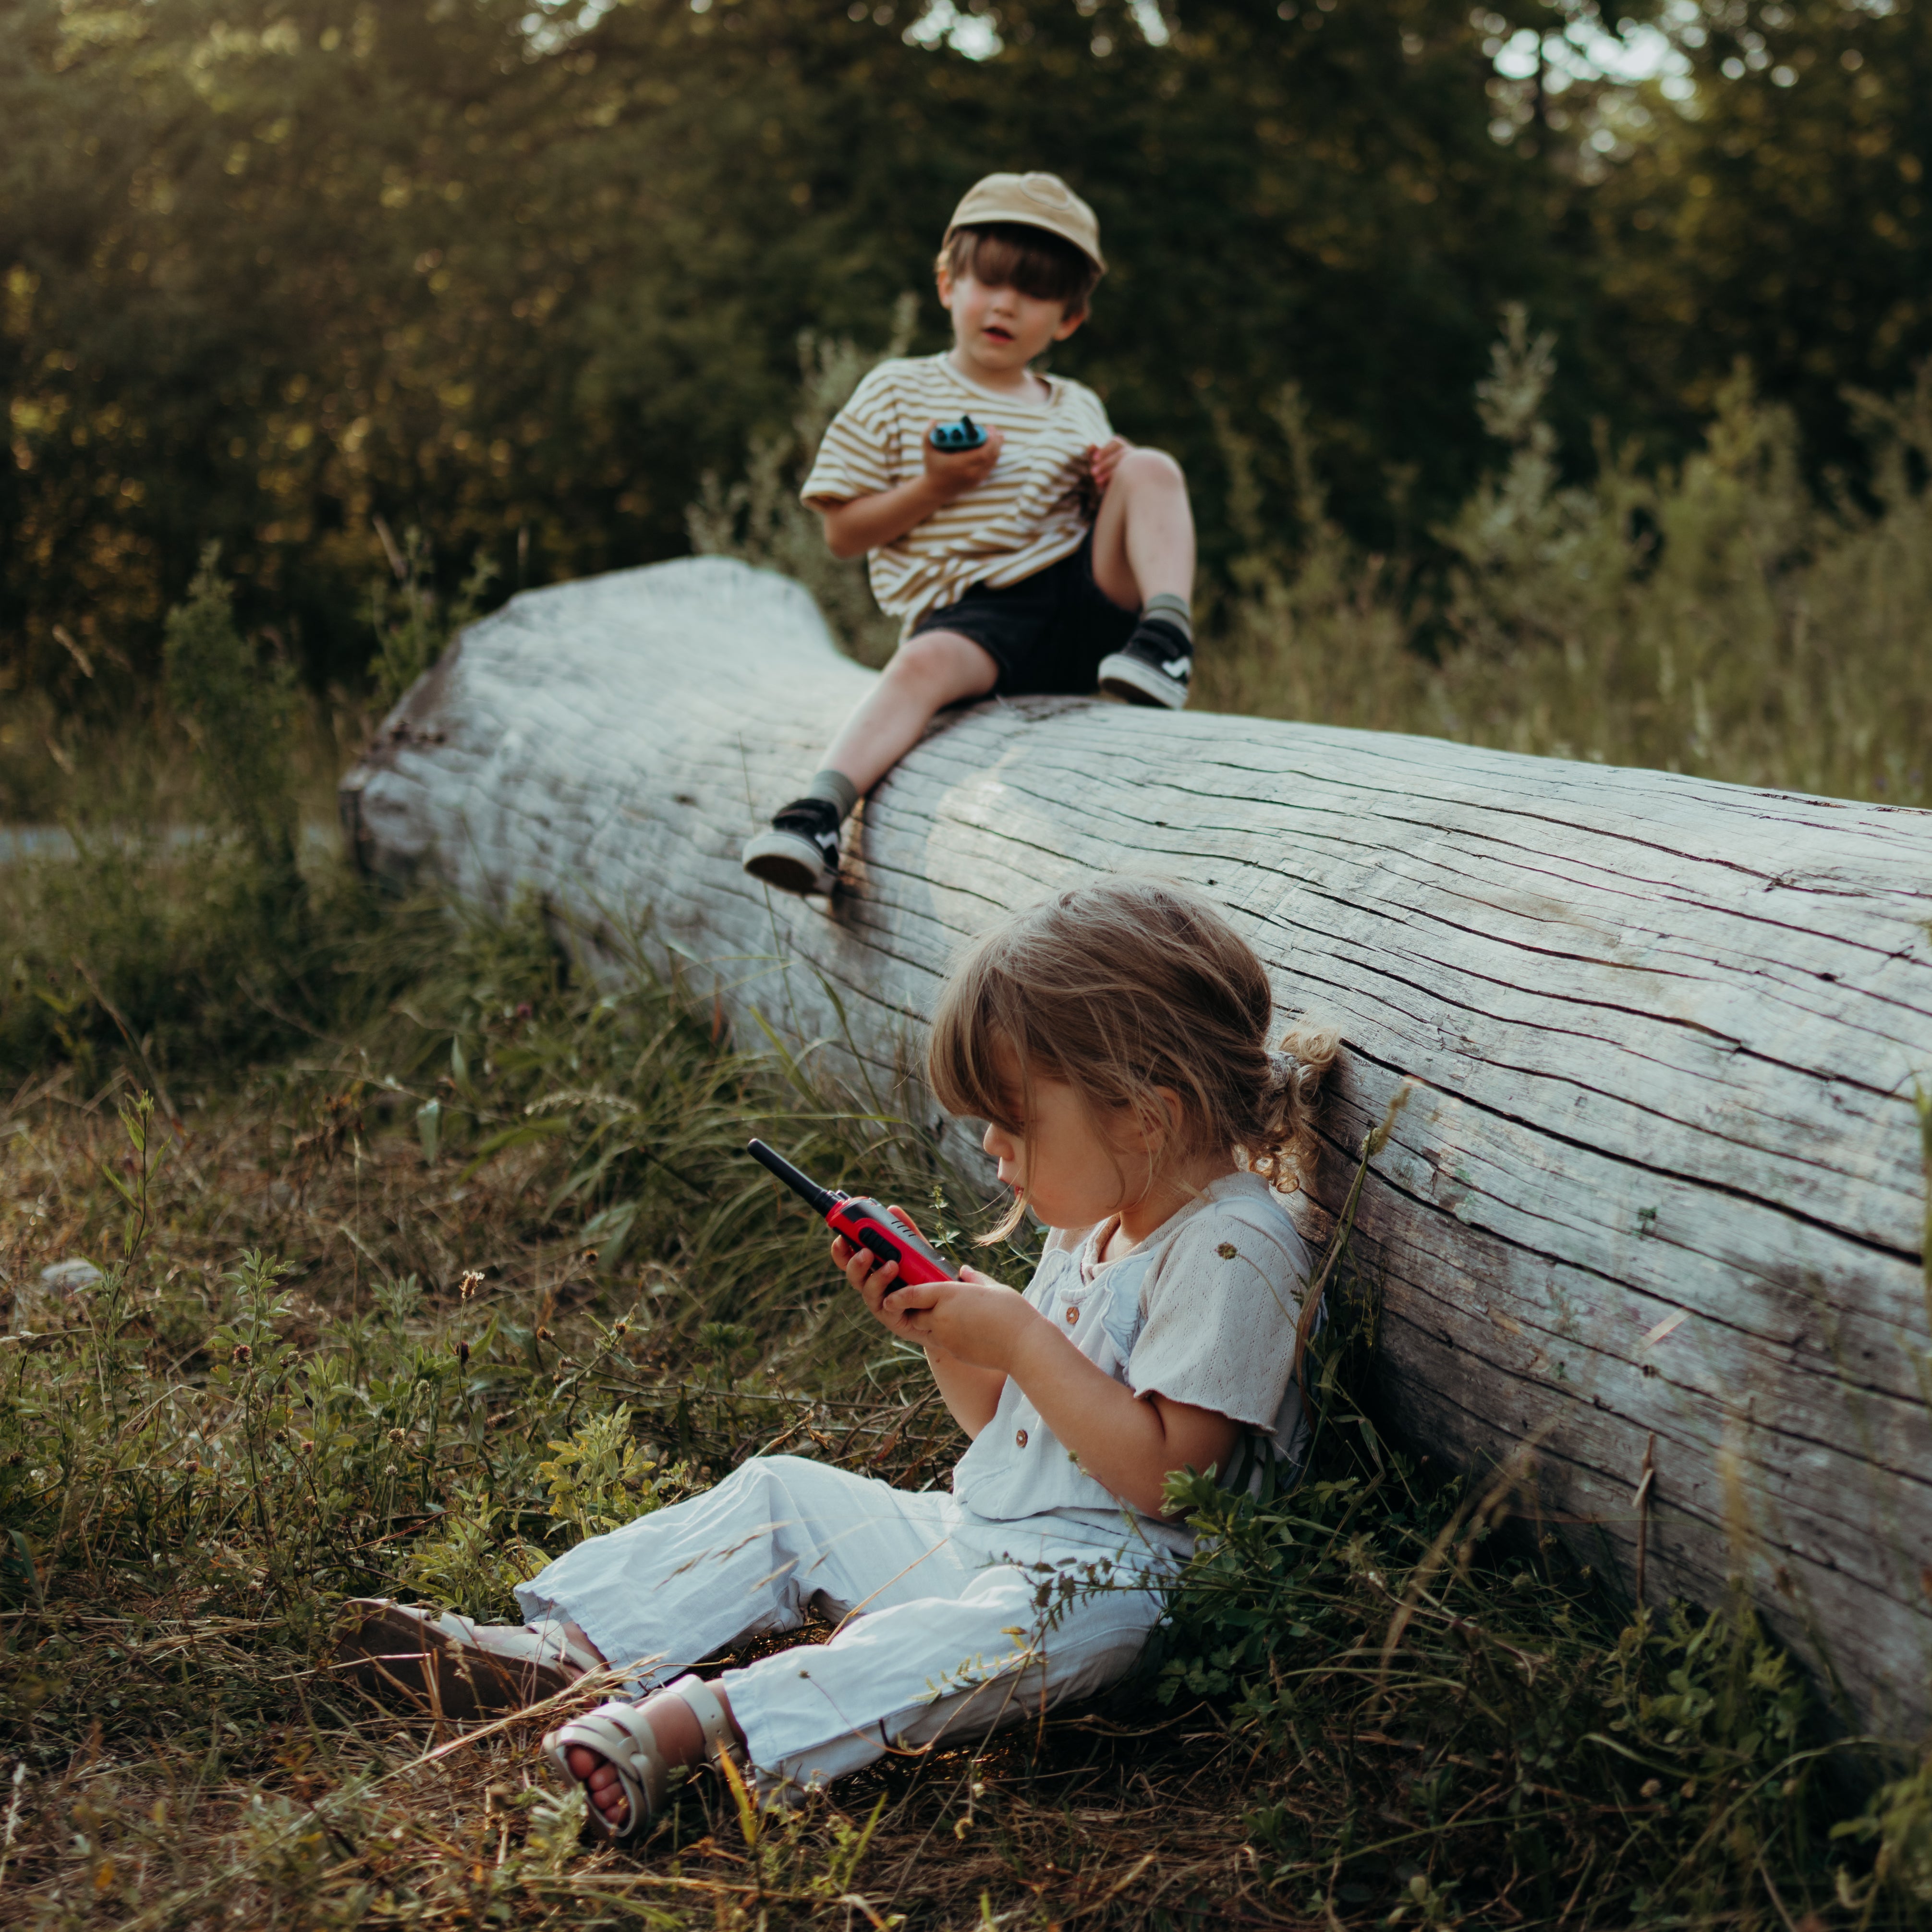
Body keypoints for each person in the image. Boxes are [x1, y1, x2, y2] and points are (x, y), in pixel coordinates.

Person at [333, 879, 1336, 1839]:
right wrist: (945, 1332)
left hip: (1118, 1589)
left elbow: (1174, 1480)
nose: (991, 1147)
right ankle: (568, 1654)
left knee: (1013, 1632)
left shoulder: (1228, 1248)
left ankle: (705, 1728)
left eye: (1013, 1118)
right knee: (782, 1494)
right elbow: (1007, 1429)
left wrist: (1023, 1339)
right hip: (989, 1535)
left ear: (1142, 1112)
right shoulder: (1101, 1225)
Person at [740, 173, 1200, 898]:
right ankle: (820, 814)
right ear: (948, 284)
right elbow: (840, 534)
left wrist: (1111, 476)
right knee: (919, 669)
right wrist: (935, 487)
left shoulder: (1079, 405)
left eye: (1037, 292)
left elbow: (1107, 513)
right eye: (988, 280)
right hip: (975, 616)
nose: (1007, 303)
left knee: (1151, 467)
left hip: (1084, 600)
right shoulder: (899, 389)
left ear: (1069, 321)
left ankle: (1167, 642)